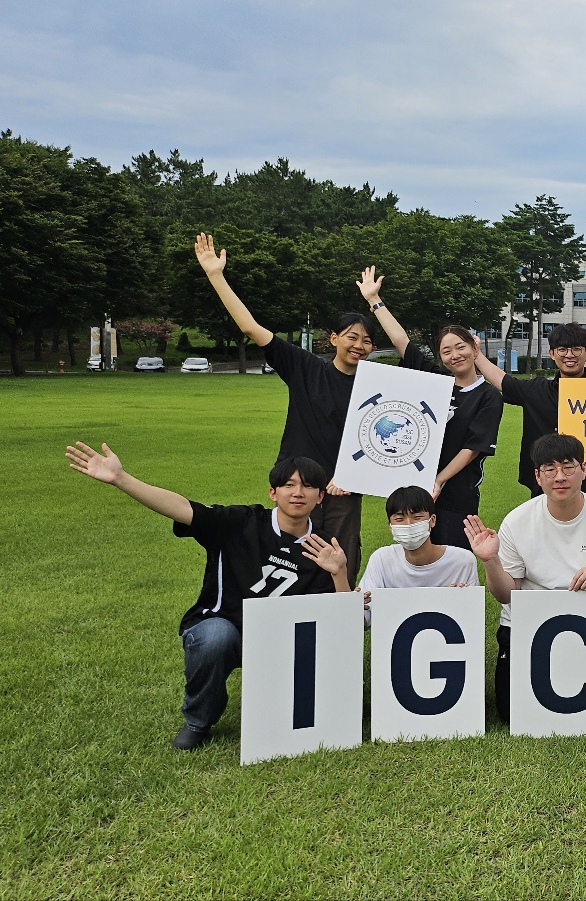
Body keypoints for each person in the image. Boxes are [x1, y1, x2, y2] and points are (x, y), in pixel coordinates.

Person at [64, 441, 350, 751]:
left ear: (320, 497)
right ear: (273, 493)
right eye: (289, 485)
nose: (298, 493)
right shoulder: (239, 522)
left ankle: (294, 710)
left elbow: (339, 625)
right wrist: (121, 479)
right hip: (227, 629)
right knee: (215, 637)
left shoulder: (324, 548)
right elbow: (184, 508)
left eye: (308, 486)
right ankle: (198, 721)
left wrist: (339, 573)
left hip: (281, 641)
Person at [195, 233, 373, 576]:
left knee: (341, 566)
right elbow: (251, 328)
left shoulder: (376, 388)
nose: (359, 346)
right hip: (298, 484)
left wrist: (355, 478)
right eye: (352, 337)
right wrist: (215, 275)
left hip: (344, 490)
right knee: (287, 563)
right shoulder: (306, 368)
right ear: (334, 339)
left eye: (367, 341)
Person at [463, 434, 586, 724]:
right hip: (527, 623)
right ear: (537, 476)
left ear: (583, 470)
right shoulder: (517, 520)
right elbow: (506, 594)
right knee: (510, 712)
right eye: (549, 469)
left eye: (568, 467)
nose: (560, 477)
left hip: (584, 619)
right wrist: (491, 560)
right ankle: (561, 669)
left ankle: (577, 670)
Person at [356, 269, 504, 549]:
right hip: (416, 495)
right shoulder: (435, 383)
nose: (455, 355)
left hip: (456, 497)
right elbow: (402, 342)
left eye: (460, 347)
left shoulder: (488, 396)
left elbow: (473, 448)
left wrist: (438, 481)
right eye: (446, 351)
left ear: (474, 348)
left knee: (452, 561)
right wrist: (374, 300)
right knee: (414, 559)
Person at [474, 320, 586, 501]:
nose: (569, 355)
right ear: (552, 353)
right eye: (562, 349)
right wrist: (475, 354)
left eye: (576, 349)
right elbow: (503, 381)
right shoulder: (537, 390)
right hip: (543, 486)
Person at [357, 485, 481, 628]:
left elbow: (472, 622)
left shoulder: (462, 561)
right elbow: (362, 621)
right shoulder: (381, 559)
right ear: (390, 526)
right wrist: (340, 573)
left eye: (417, 517)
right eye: (399, 519)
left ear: (432, 520)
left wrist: (463, 603)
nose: (409, 524)